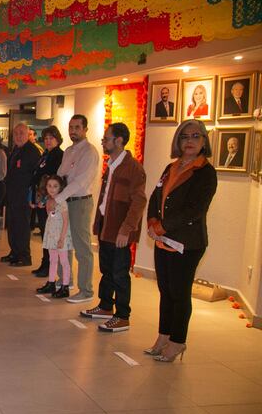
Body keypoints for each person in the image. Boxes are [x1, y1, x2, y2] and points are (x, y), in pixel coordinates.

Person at [145, 119, 217, 362]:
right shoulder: (170, 167)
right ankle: (163, 336)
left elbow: (194, 209)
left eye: (196, 136)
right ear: (178, 140)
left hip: (187, 243)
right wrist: (152, 223)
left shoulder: (205, 172)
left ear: (204, 141)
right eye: (185, 136)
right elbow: (156, 197)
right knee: (165, 291)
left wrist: (163, 226)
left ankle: (177, 342)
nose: (190, 141)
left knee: (179, 292)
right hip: (163, 239)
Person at [79, 123, 147, 332]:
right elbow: (106, 197)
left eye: (106, 139)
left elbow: (139, 201)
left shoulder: (133, 168)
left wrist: (126, 229)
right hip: (106, 228)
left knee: (119, 273)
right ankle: (106, 306)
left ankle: (122, 315)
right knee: (106, 270)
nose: (103, 142)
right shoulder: (112, 164)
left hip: (120, 232)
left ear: (119, 140)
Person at [48, 114, 101, 302]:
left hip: (80, 202)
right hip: (64, 202)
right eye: (71, 127)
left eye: (77, 127)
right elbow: (61, 175)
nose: (73, 131)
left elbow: (80, 181)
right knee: (63, 244)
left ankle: (86, 291)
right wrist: (52, 194)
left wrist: (58, 197)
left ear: (85, 129)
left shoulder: (90, 152)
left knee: (82, 247)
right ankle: (65, 282)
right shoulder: (69, 150)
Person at [3, 123, 41, 266]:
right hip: (13, 193)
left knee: (22, 225)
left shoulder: (32, 151)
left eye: (21, 133)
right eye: (16, 134)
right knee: (12, 224)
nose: (18, 136)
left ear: (27, 134)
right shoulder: (16, 150)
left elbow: (33, 175)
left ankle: (24, 256)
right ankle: (15, 252)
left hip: (24, 195)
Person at [30, 126, 64, 277]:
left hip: (50, 199)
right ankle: (45, 263)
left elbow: (55, 179)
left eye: (51, 138)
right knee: (45, 234)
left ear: (57, 139)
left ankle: (49, 266)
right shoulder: (45, 154)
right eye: (46, 138)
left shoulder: (58, 155)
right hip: (41, 198)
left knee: (49, 235)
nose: (48, 141)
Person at [36, 176, 73, 298]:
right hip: (51, 235)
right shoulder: (49, 200)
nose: (52, 189)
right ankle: (51, 282)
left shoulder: (62, 202)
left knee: (64, 261)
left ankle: (65, 286)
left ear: (61, 188)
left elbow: (66, 221)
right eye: (49, 186)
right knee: (52, 260)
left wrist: (62, 239)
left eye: (55, 186)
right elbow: (50, 216)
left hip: (60, 236)